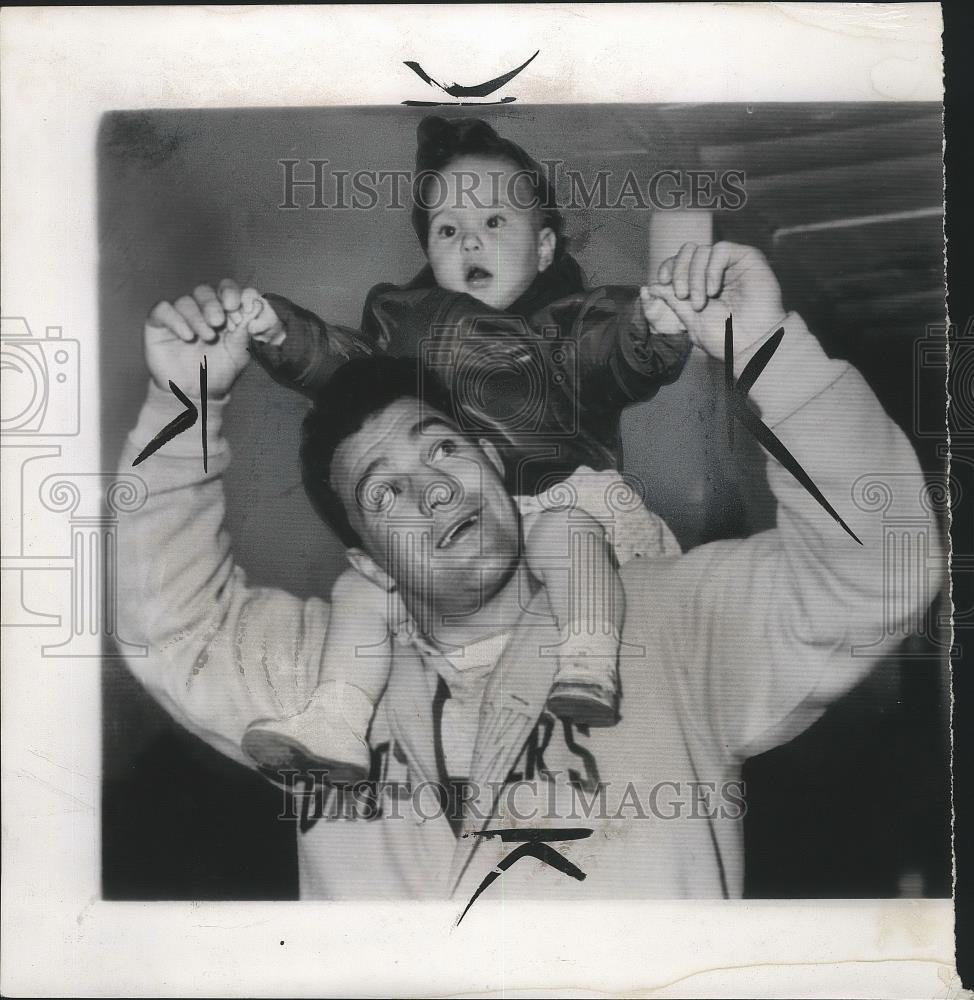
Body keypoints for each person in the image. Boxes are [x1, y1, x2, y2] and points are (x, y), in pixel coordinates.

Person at [117, 241, 938, 901]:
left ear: (493, 469)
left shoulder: (674, 622)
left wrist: (769, 355)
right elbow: (168, 624)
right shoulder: (314, 678)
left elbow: (881, 565)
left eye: (442, 447)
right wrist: (184, 405)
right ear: (368, 559)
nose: (433, 487)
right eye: (386, 490)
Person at [185, 115, 690, 779]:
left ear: (543, 248)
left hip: (564, 510)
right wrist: (280, 333)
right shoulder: (406, 327)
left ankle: (590, 662)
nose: (468, 241)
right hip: (457, 542)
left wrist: (653, 326)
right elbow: (345, 369)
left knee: (559, 535)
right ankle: (338, 718)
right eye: (448, 230)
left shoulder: (568, 328)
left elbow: (616, 353)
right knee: (360, 590)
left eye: (493, 223)